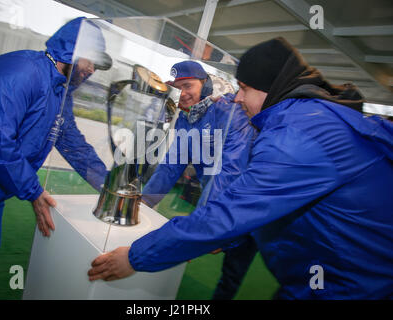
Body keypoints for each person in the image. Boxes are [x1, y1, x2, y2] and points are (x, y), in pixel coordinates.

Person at [88, 37, 393, 299]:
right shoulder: (306, 116)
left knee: (232, 273)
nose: (239, 97)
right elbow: (175, 167)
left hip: (355, 278)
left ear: (271, 87)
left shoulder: (295, 134)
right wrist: (149, 204)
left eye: (245, 88)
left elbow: (233, 195)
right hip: (326, 268)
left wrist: (136, 256)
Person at [0, 17, 110, 300]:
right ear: (72, 50)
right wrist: (33, 190)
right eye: (90, 61)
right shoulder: (20, 70)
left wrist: (109, 187)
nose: (92, 70)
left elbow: (74, 145)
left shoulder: (61, 92)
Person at [140, 60, 258, 300]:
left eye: (188, 85)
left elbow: (228, 173)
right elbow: (171, 166)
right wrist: (144, 202)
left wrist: (205, 226)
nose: (182, 94)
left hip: (249, 205)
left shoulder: (229, 111)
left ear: (204, 83)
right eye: (177, 87)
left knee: (237, 268)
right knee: (230, 266)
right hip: (218, 204)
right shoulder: (188, 118)